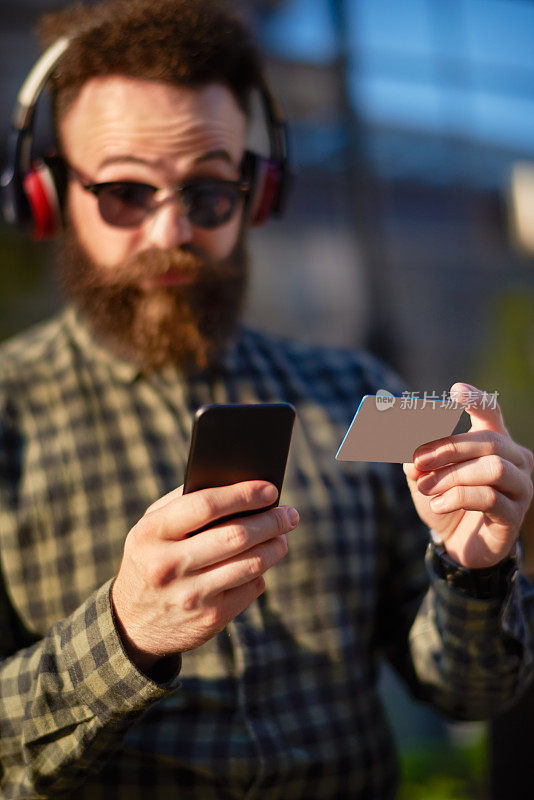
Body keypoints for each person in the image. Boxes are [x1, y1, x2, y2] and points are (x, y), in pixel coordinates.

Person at [0, 1, 533, 798]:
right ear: (47, 195)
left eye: (208, 192)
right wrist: (126, 636)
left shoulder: (360, 393)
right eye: (123, 193)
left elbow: (468, 693)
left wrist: (473, 570)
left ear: (259, 193)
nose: (170, 230)